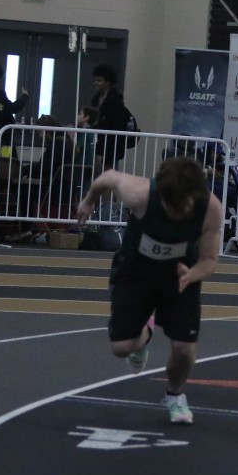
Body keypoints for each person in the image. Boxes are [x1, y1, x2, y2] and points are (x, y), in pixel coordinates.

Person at [75, 157, 223, 424]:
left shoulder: (210, 208)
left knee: (184, 350)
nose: (176, 214)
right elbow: (108, 176)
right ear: (160, 195)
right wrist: (88, 201)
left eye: (183, 207)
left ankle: (175, 395)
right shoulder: (139, 193)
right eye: (170, 206)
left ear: (195, 197)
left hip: (180, 275)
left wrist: (192, 274)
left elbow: (210, 259)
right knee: (121, 347)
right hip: (136, 272)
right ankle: (145, 335)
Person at [89, 63, 132, 170]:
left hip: (110, 148)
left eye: (99, 80)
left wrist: (102, 152)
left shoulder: (115, 102)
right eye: (95, 80)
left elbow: (113, 128)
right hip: (96, 144)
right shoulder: (96, 99)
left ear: (108, 82)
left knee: (107, 175)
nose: (95, 83)